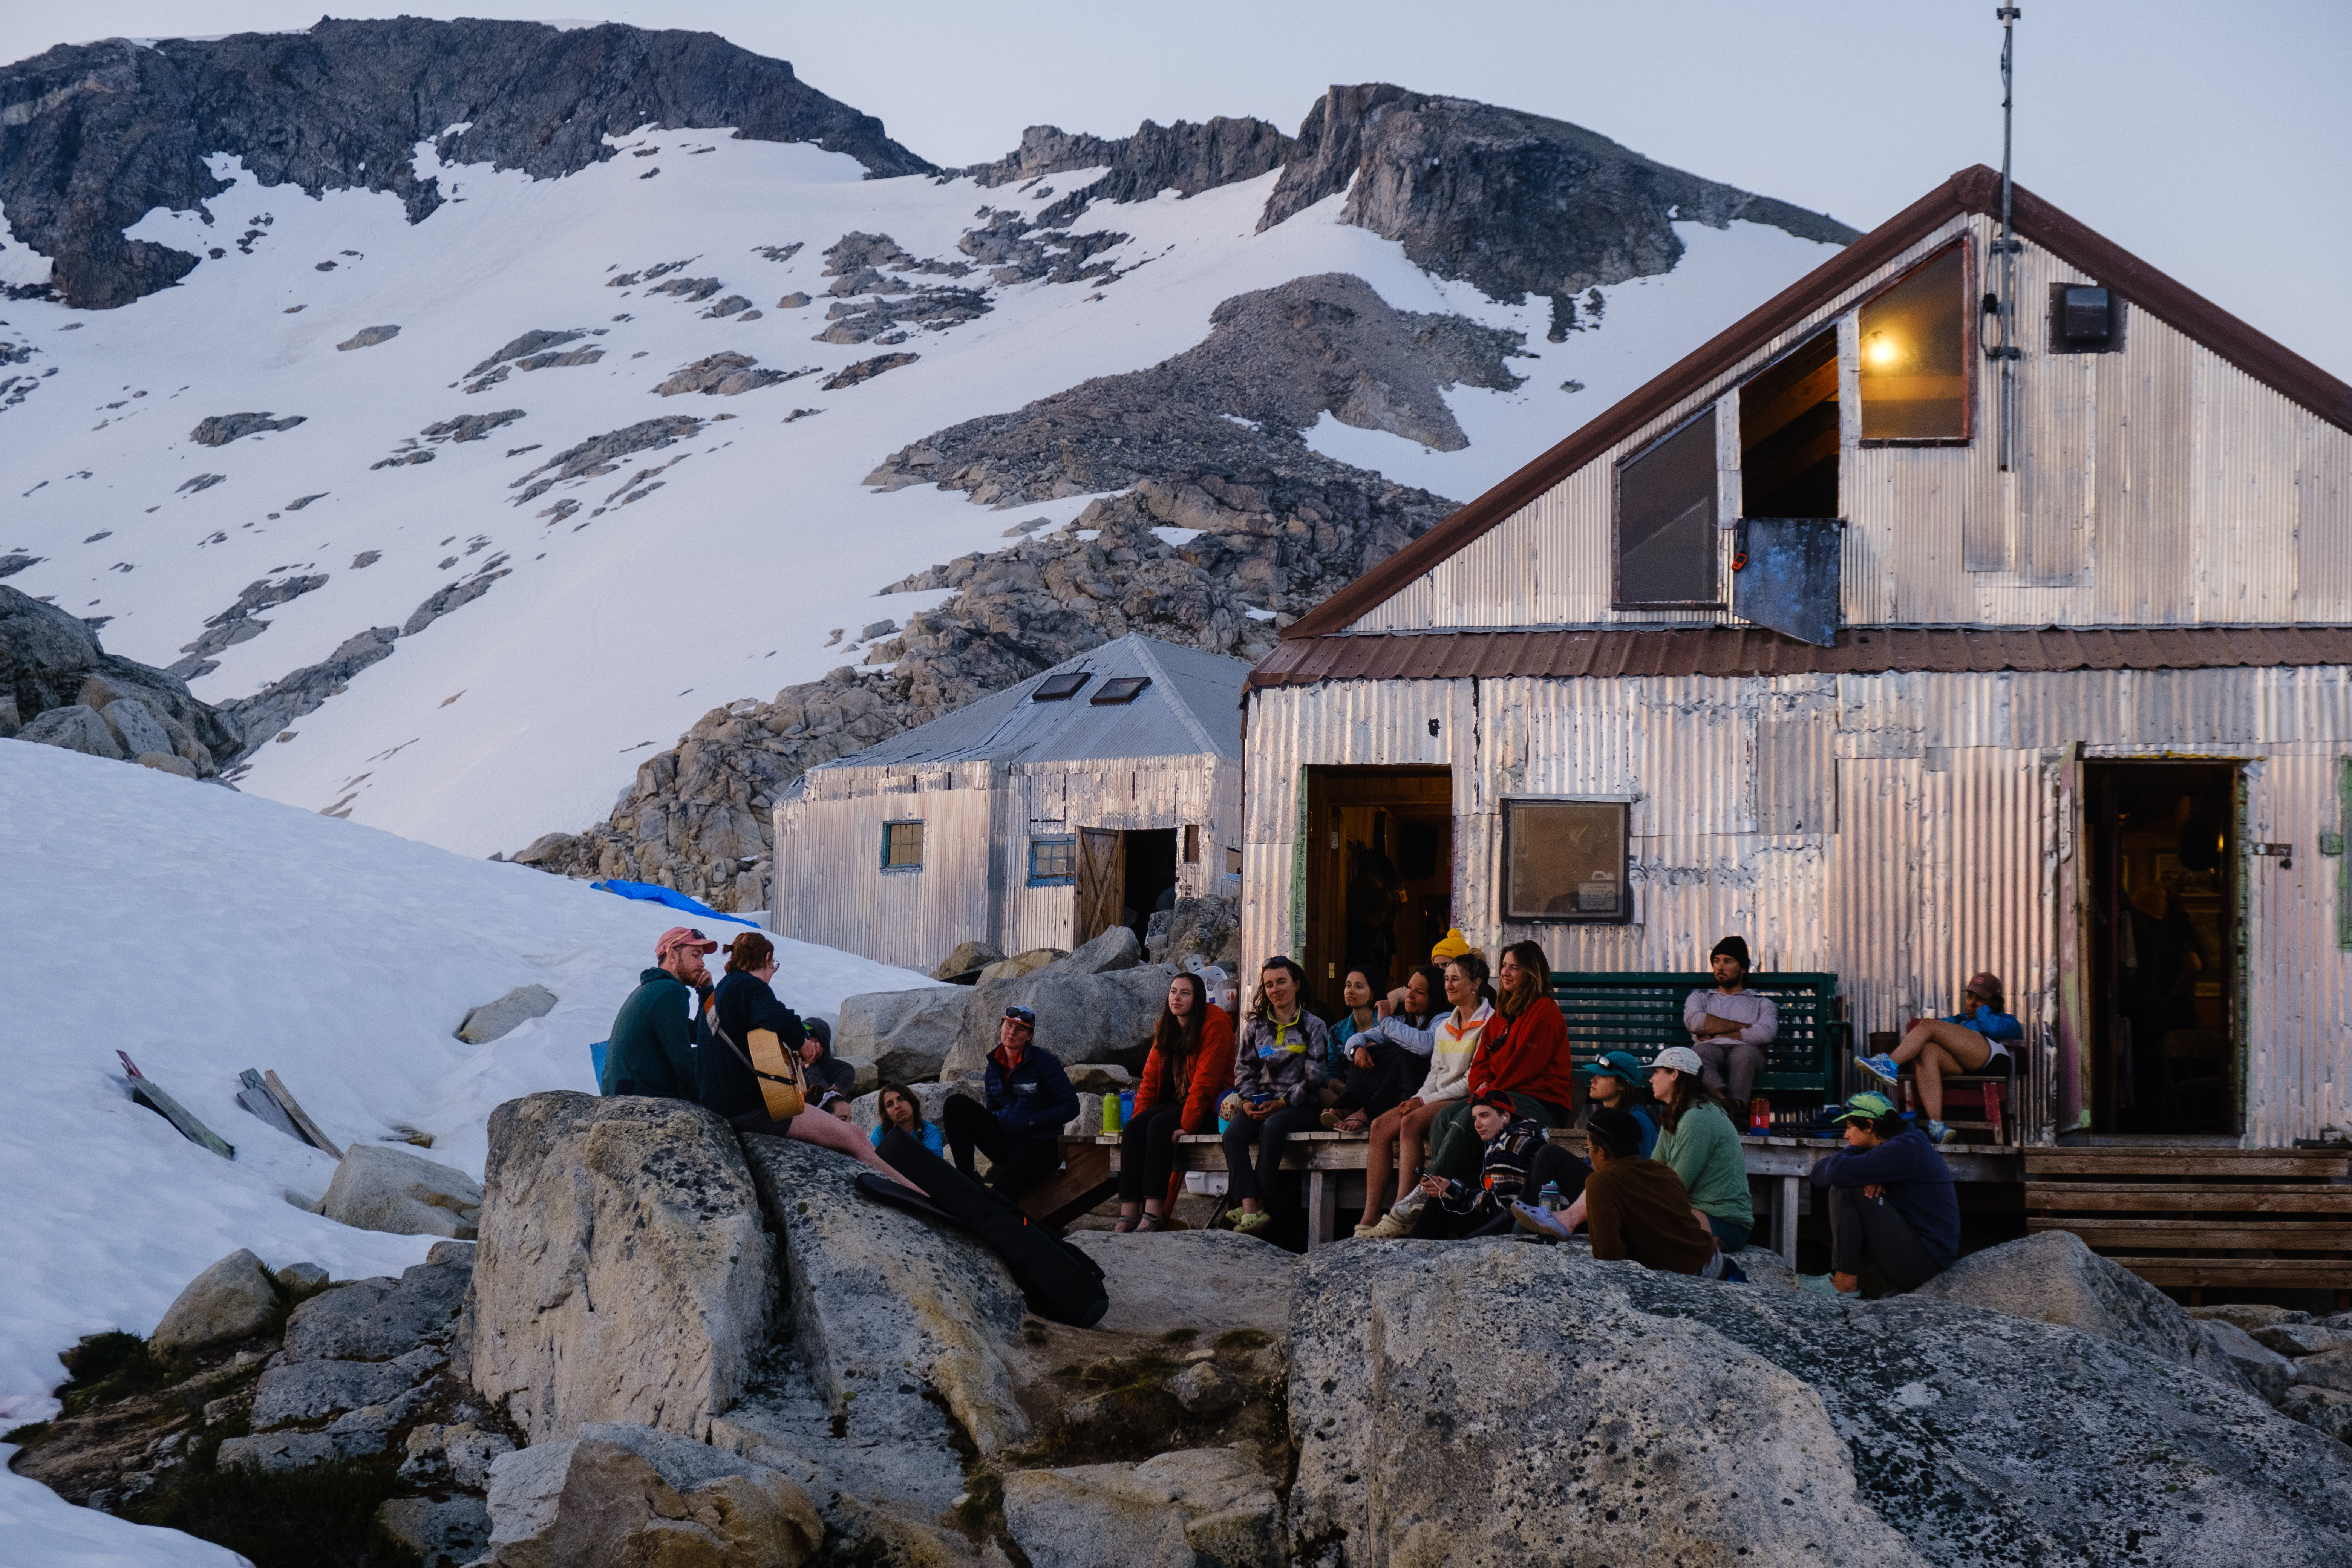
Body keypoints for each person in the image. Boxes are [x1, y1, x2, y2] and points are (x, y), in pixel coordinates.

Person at [698, 932, 917, 1188]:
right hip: (749, 1110)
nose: (772, 974)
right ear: (768, 959)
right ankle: (918, 1193)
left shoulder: (716, 998)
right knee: (855, 1137)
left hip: (720, 1107)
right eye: (774, 967)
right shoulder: (747, 986)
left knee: (840, 1143)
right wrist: (802, 1044)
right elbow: (780, 1018)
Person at [1355, 951, 1495, 1239]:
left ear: (1476, 984)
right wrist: (1419, 1097)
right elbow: (1436, 1072)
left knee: (1411, 1123)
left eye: (1456, 979)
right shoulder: (1446, 1026)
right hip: (1435, 1095)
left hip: (1464, 1099)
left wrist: (1424, 1102)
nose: (1449, 985)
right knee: (1381, 1126)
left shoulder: (1489, 1024)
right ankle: (1368, 1217)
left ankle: (1401, 1210)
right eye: (1446, 979)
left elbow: (1472, 1080)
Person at [1423, 940, 1577, 1180]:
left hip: (1542, 1102)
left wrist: (1489, 1094)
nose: (1505, 972)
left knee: (1467, 1119)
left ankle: (1431, 1187)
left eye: (1514, 968)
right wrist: (1480, 1087)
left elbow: (1524, 1067)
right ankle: (1460, 1193)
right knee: (1442, 1120)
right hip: (1502, 1094)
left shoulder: (1544, 1011)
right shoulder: (1502, 1013)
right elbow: (1481, 1062)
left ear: (1531, 972)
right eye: (1504, 965)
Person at [1530, 1107, 1743, 1280]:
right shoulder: (1664, 1171)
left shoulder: (1601, 1183)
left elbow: (1608, 1255)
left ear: (1601, 1153)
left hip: (1693, 1277)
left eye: (1589, 1150)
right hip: (1718, 1264)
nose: (1590, 1156)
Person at [1799, 1091, 1959, 1296]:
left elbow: (1836, 1173)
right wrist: (1866, 1168)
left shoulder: (1905, 1148)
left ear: (1869, 1125)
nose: (1846, 1136)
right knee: (1848, 1179)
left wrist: (1857, 1156)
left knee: (1847, 1187)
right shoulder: (1901, 1143)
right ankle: (1845, 1282)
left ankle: (1844, 1284)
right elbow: (1818, 1174)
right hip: (1923, 1256)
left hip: (1926, 1263)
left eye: (1850, 1127)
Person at [1115, 971, 1234, 1233]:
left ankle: (1154, 1215)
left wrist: (1187, 1125)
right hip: (1181, 1102)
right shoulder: (1167, 1026)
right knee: (1135, 1129)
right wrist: (1139, 1118)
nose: (1177, 998)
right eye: (1173, 992)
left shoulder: (1215, 1025)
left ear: (1199, 998)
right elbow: (1149, 1080)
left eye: (1185, 993)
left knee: (1160, 1127)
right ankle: (1128, 1215)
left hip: (1215, 1107)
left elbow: (1206, 1083)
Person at [1221, 957, 1331, 1235]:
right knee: (1233, 1134)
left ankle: (1261, 1201)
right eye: (1269, 985)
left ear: (1296, 983)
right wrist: (1246, 1103)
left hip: (1301, 1106)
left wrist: (1282, 1103)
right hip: (1260, 1103)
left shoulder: (1314, 1025)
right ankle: (1248, 1208)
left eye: (1282, 981)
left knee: (1274, 1126)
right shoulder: (1256, 1028)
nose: (1275, 989)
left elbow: (1314, 1076)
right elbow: (1244, 1070)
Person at [1856, 972, 2023, 1144]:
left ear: (1995, 1002)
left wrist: (1984, 1011)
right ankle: (1937, 1125)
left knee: (1929, 1025)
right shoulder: (1960, 1020)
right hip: (1964, 1068)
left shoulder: (2007, 1021)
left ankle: (1889, 1064)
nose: (1972, 1003)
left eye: (1980, 998)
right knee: (1927, 1049)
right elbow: (1926, 1032)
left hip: (1994, 1061)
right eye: (1970, 996)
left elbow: (1995, 1031)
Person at [943, 1005, 1080, 1197]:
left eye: (1020, 1029)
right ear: (1001, 1028)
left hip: (1041, 1145)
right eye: (1008, 1025)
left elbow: (1071, 1107)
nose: (1012, 1032)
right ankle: (966, 1179)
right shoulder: (993, 1068)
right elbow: (992, 1110)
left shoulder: (1044, 1063)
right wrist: (1004, 1120)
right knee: (955, 1104)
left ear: (1030, 1036)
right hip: (1007, 1142)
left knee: (1001, 1195)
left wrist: (1032, 1121)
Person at [1646, 1045, 1755, 1253]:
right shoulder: (1677, 1114)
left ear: (1674, 1075)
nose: (1651, 1079)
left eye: (1656, 1072)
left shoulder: (1698, 1117)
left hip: (1724, 1224)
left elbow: (1676, 1186)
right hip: (1694, 1213)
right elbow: (1654, 1171)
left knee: (1642, 1223)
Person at [1407, 1090, 1549, 1239]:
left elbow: (1503, 1207)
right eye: (1475, 1118)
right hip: (1513, 1220)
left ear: (1505, 1117)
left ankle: (1415, 1257)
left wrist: (1453, 1190)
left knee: (1437, 1207)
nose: (1477, 1124)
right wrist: (1450, 1188)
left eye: (1485, 1116)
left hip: (1509, 1229)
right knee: (1443, 1202)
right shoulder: (1514, 1137)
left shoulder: (1508, 1146)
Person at [600, 926, 717, 1099]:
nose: (702, 964)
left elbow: (702, 1034)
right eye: (695, 955)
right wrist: (709, 1103)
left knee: (711, 1049)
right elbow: (683, 1061)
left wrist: (707, 991)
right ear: (672, 956)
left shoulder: (655, 989)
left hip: (624, 1094)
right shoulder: (668, 992)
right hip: (638, 1100)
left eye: (702, 956)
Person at [1321, 965, 1433, 1131]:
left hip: (1393, 1092)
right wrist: (1357, 1050)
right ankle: (1349, 1107)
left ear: (1374, 993)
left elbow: (1424, 1046)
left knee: (1383, 1049)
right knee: (1360, 1049)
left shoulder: (1393, 1021)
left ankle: (1365, 1111)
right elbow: (1332, 1071)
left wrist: (1388, 1013)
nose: (1350, 991)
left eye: (1359, 987)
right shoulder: (1336, 1031)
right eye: (1348, 985)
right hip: (1353, 1090)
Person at [1683, 936, 1776, 1116]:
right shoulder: (1700, 998)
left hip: (1746, 1053)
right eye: (1716, 961)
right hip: (1711, 1050)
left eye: (1728, 961)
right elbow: (1695, 1022)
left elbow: (1766, 1033)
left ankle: (1738, 1106)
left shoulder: (1762, 1004)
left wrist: (1714, 1033)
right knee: (1698, 1054)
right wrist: (1746, 1028)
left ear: (1743, 968)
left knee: (1745, 1054)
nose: (1720, 967)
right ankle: (1725, 1105)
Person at [871, 1081, 944, 1156]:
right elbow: (870, 1162)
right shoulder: (880, 1134)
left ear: (912, 1103)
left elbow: (934, 1166)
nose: (897, 1106)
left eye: (901, 1099)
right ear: (887, 1115)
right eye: (890, 1105)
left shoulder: (930, 1133)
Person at [797, 1017, 858, 1099]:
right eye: (800, 1037)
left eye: (807, 1036)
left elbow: (830, 1100)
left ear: (821, 1042)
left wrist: (811, 1065)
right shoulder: (793, 1066)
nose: (803, 1043)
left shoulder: (844, 1070)